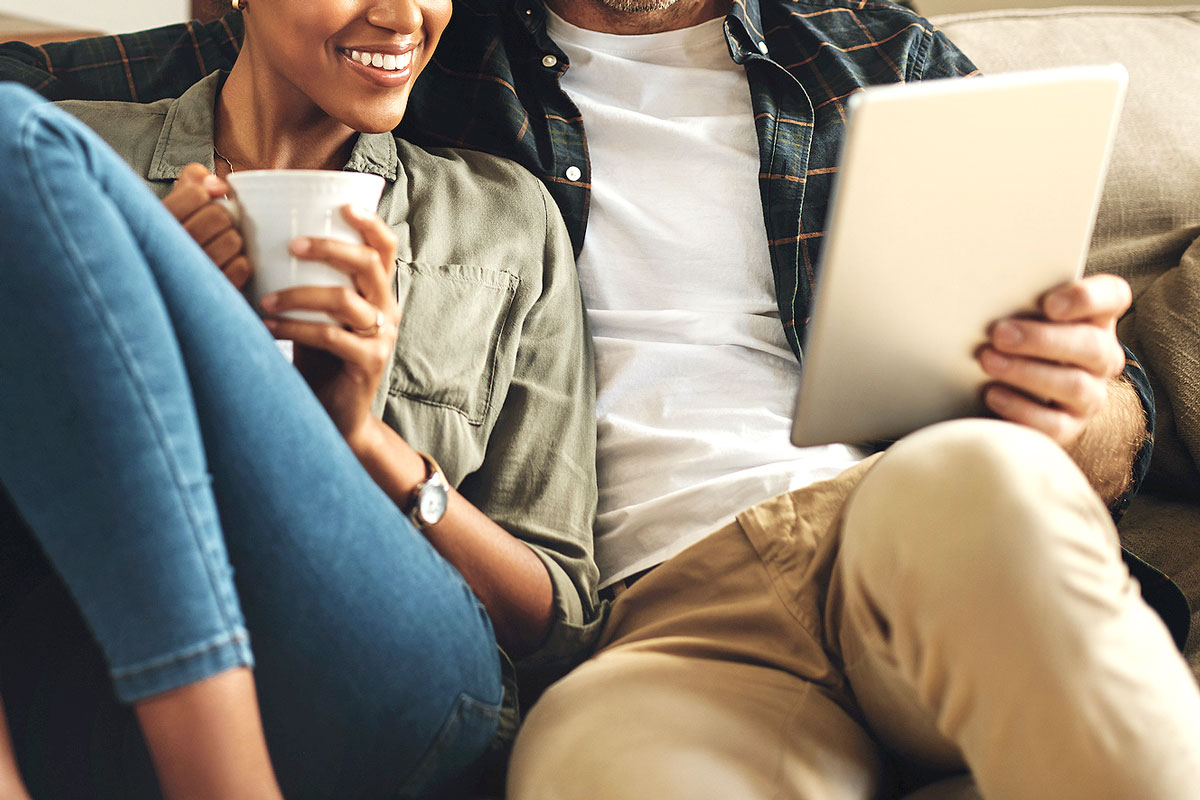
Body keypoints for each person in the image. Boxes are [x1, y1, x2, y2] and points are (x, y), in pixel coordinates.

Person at [5, 0, 1200, 797]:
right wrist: (131, 258)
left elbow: (1115, 421)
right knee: (587, 767)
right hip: (655, 633)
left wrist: (1074, 399)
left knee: (989, 478)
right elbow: (94, 123)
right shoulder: (458, 53)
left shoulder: (876, 51)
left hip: (895, 514)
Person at [0, 0, 602, 797]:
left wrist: (364, 441)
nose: (402, 16)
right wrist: (151, 310)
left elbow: (556, 619)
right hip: (88, 661)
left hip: (392, 674)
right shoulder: (79, 163)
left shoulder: (503, 221)